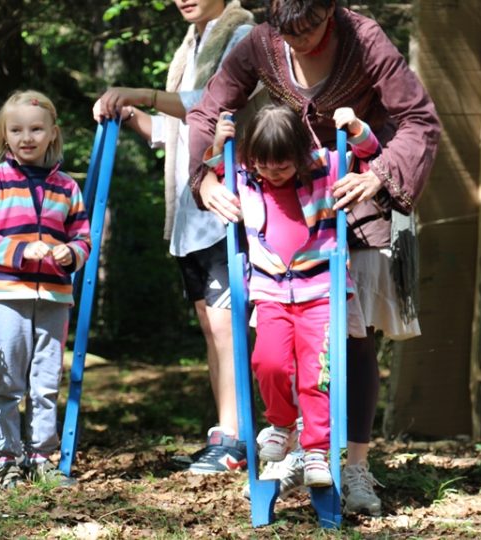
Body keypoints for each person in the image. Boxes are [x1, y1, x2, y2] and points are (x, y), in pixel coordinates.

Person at [187, 0, 441, 515]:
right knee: (280, 345)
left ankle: (356, 465)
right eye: (289, 30)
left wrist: (380, 175)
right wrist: (204, 176)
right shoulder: (260, 42)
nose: (300, 41)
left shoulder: (364, 39)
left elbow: (419, 120)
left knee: (355, 335)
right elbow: (208, 110)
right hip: (283, 192)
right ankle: (303, 444)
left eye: (310, 28)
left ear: (331, 9)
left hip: (357, 186)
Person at [92, 0, 255, 475]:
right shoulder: (188, 48)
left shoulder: (242, 37)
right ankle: (225, 432)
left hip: (227, 202)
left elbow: (210, 103)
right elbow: (170, 131)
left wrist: (138, 91)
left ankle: (240, 438)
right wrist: (127, 112)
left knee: (229, 328)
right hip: (189, 213)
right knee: (210, 328)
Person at [209, 104, 375, 489]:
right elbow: (214, 168)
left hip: (320, 291)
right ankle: (282, 425)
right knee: (268, 362)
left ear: (299, 155)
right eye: (264, 165)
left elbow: (367, 152)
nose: (273, 173)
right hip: (271, 291)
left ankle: (316, 449)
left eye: (282, 166)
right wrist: (219, 142)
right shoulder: (246, 174)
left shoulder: (323, 168)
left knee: (318, 373)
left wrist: (353, 126)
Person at [0, 90, 91, 490]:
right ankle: (5, 457)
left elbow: (84, 238)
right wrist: (21, 250)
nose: (27, 137)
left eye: (36, 129)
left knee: (46, 379)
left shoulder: (67, 187)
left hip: (54, 297)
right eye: (16, 130)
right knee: (7, 378)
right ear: (5, 135)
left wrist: (71, 254)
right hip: (7, 295)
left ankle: (40, 456)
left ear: (53, 134)